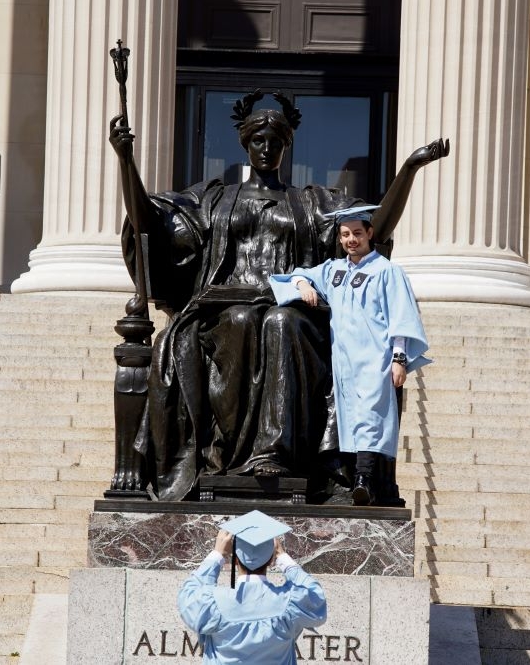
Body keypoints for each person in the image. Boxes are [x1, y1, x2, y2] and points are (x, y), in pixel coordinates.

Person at [109, 88, 448, 502]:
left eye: (275, 141)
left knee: (279, 321)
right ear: (245, 144)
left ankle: (272, 454)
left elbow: (374, 225)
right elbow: (149, 227)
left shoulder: (311, 202)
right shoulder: (213, 199)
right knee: (239, 320)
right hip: (224, 307)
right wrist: (126, 162)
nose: (266, 148)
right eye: (258, 140)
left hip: (293, 311)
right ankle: (226, 456)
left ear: (287, 146)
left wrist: (408, 170)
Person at [270, 207, 431, 506]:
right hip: (343, 360)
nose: (351, 240)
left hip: (375, 356)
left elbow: (401, 317)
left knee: (371, 415)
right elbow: (296, 275)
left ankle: (364, 480)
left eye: (357, 233)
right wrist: (304, 285)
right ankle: (354, 478)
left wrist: (399, 359)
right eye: (345, 234)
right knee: (350, 417)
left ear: (370, 233)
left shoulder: (386, 271)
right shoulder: (334, 270)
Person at [178, 510, 326, 664]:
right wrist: (284, 559)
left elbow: (187, 596)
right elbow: (315, 596)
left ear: (235, 560)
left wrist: (217, 555)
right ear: (271, 561)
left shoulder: (215, 604)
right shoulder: (289, 604)